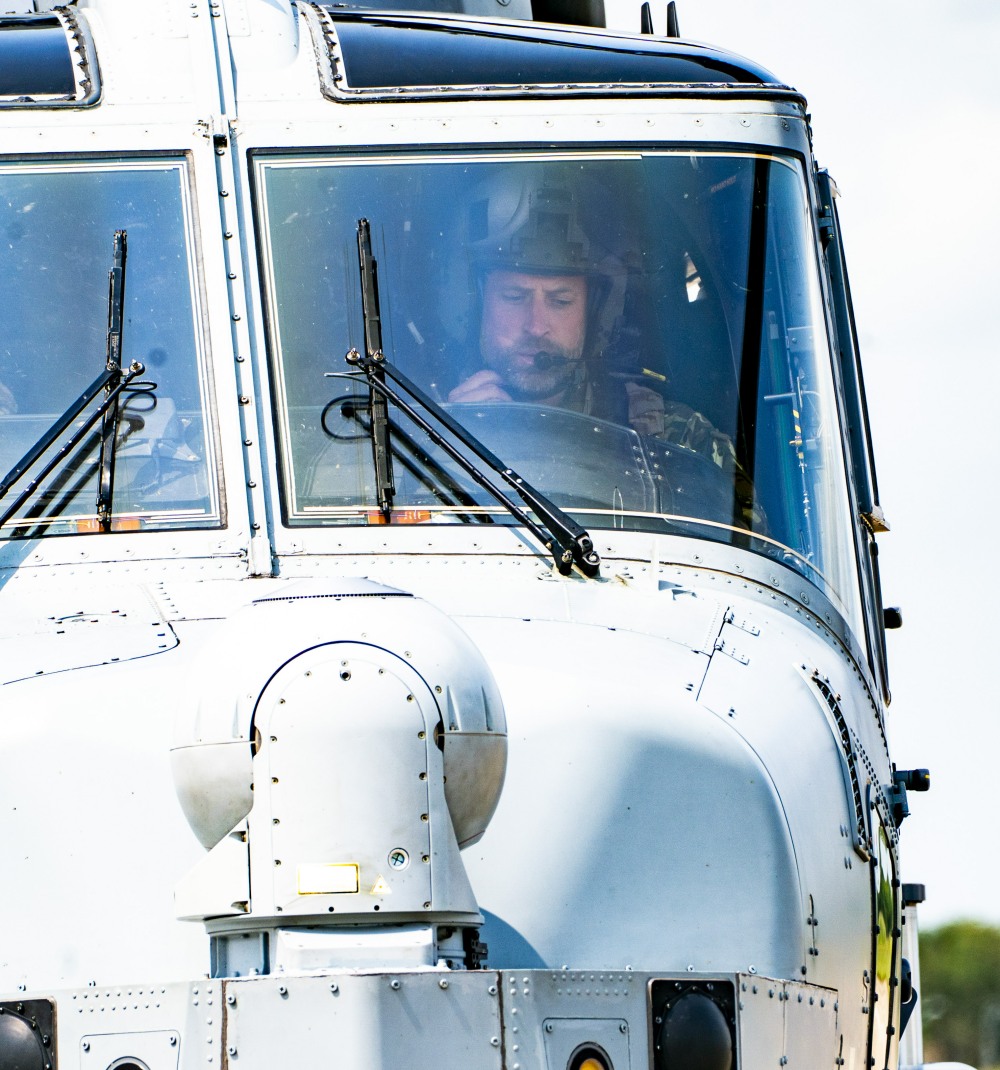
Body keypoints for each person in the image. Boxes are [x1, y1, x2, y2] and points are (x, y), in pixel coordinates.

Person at [446, 177, 760, 529]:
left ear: (595, 314)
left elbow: (746, 546)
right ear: (475, 305)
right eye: (514, 297)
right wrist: (452, 445)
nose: (535, 326)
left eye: (560, 301)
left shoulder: (673, 439)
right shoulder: (420, 430)